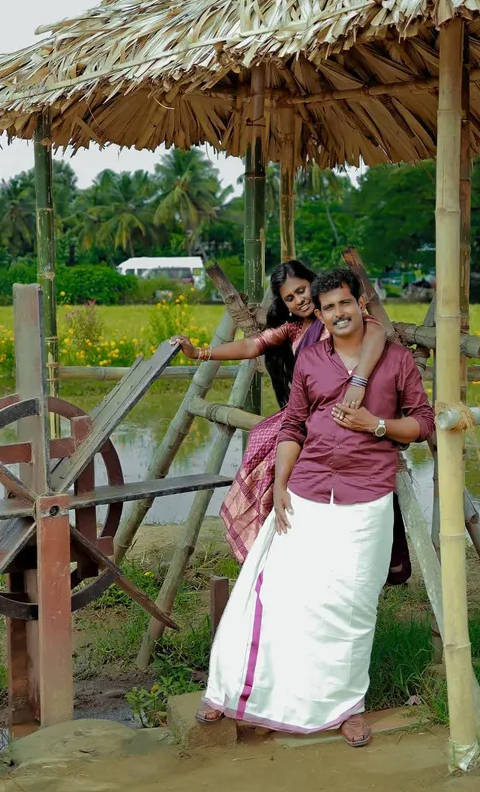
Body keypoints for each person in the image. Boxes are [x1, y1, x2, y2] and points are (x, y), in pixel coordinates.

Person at [195, 268, 435, 747]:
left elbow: (424, 422)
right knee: (275, 593)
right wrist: (280, 484)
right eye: (328, 308)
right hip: (305, 489)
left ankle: (346, 708)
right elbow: (294, 427)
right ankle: (237, 691)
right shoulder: (310, 360)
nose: (338, 313)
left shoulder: (396, 361)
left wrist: (377, 426)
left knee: (352, 606)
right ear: (318, 314)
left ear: (359, 301)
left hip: (366, 497)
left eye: (344, 303)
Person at [172, 261, 410, 578]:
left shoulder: (343, 316)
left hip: (355, 410)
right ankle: (278, 550)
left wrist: (359, 381)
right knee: (263, 448)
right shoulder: (295, 329)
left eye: (302, 290)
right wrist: (199, 352)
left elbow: (376, 334)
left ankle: (369, 560)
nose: (299, 300)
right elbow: (251, 345)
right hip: (314, 413)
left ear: (315, 284)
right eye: (289, 298)